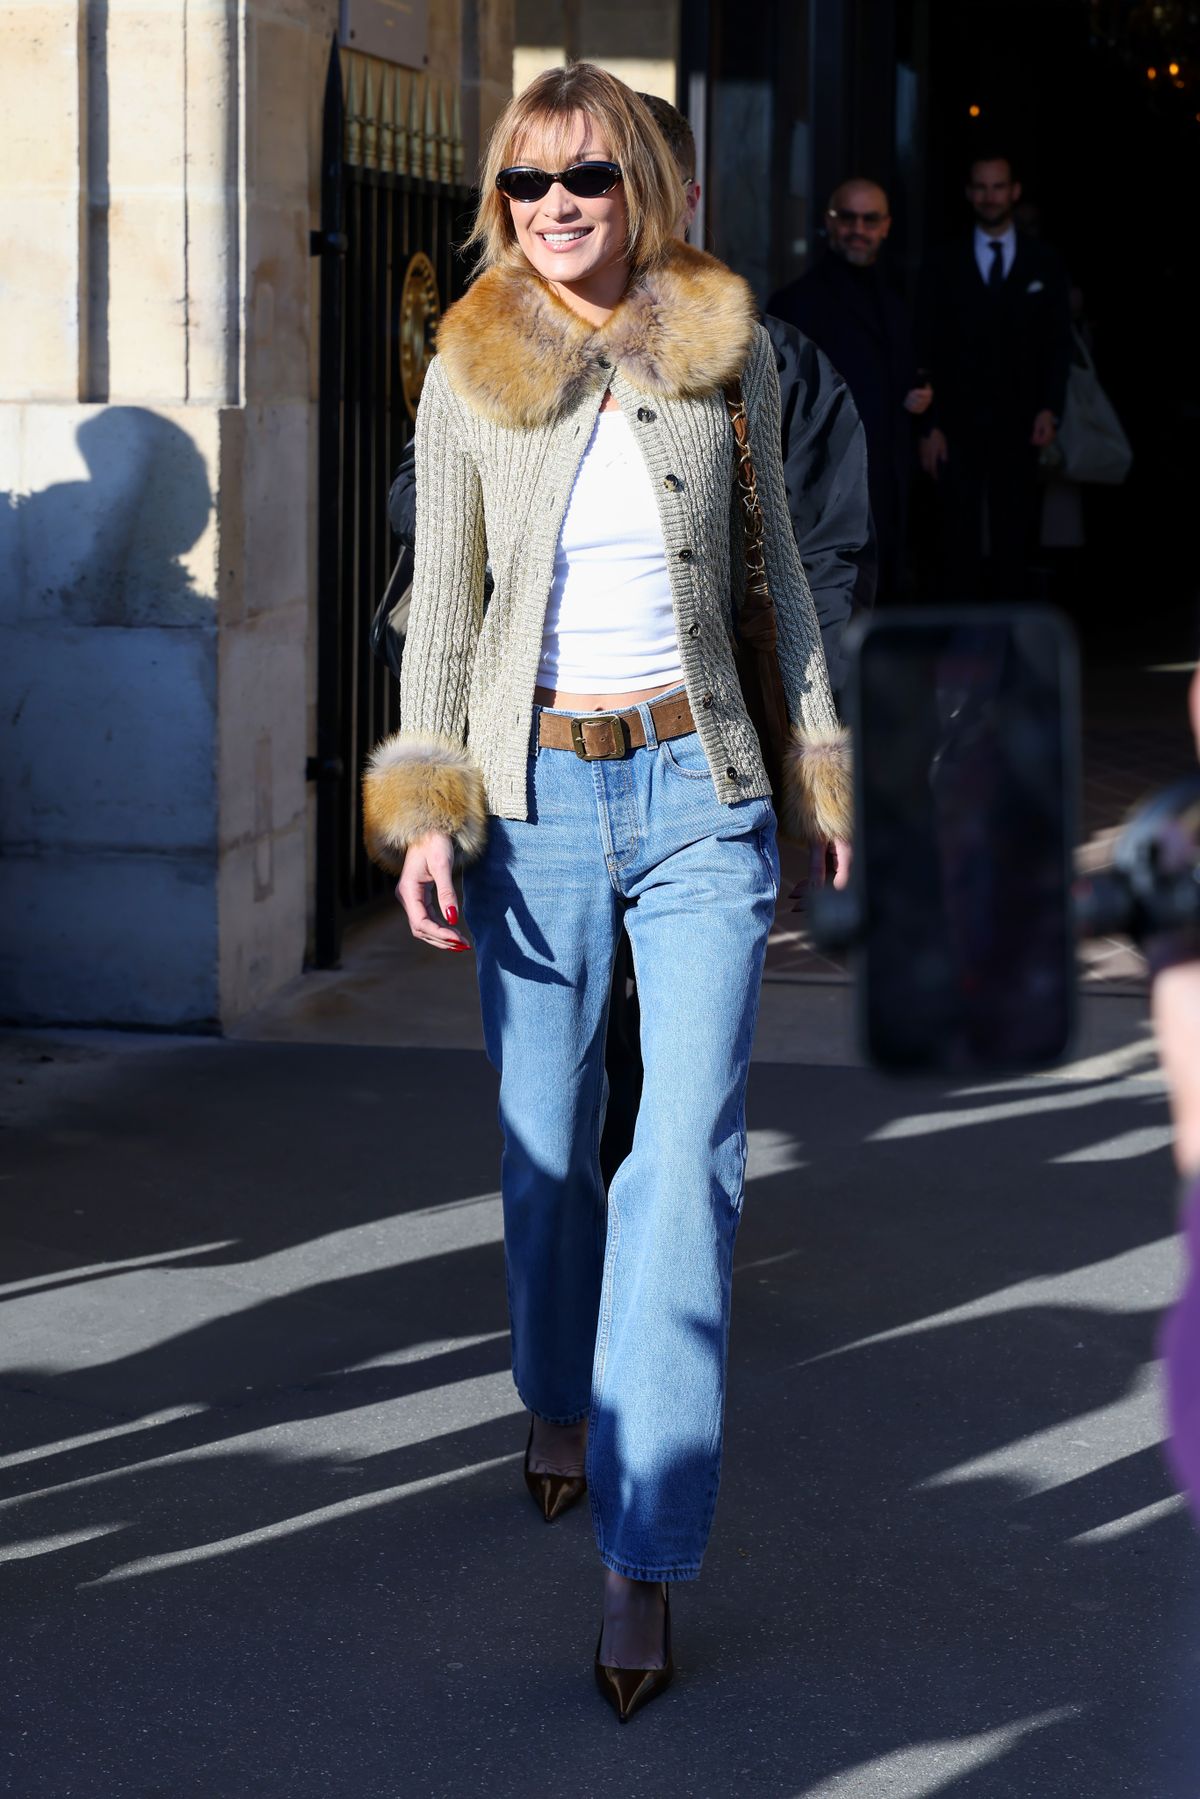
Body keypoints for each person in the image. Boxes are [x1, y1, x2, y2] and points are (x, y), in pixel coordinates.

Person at [361, 62, 850, 1720]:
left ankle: (646, 1553)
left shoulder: (729, 349)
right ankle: (553, 1390)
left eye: (588, 177)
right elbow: (441, 607)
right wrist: (426, 809)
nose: (559, 207)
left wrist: (824, 757)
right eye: (527, 186)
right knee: (550, 1140)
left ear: (640, 181)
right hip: (539, 795)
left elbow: (780, 567)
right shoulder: (468, 366)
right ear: (500, 203)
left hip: (701, 793)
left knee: (685, 1160)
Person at [917, 153, 1072, 600]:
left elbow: (1058, 343)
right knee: (956, 536)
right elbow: (925, 343)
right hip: (956, 422)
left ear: (1014, 192)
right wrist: (930, 426)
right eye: (981, 187)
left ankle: (1012, 643)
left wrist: (1050, 408)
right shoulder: (942, 262)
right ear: (969, 193)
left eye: (998, 187)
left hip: (1022, 422)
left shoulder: (1045, 262)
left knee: (1015, 535)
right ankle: (962, 643)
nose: (990, 196)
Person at [768, 177, 930, 601]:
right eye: (848, 217)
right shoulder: (793, 307)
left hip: (891, 479)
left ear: (886, 225)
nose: (858, 228)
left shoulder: (899, 303)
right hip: (826, 486)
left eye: (870, 219)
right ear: (829, 221)